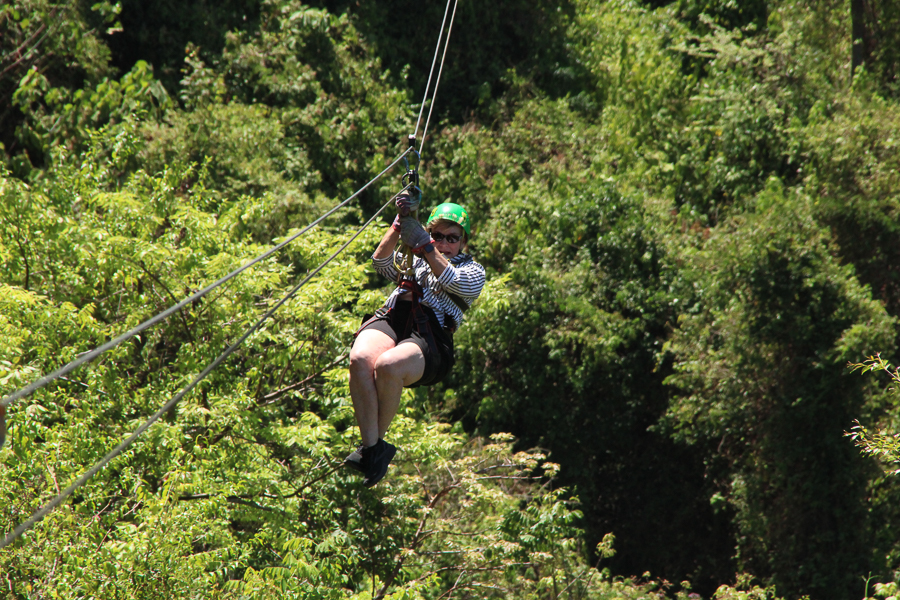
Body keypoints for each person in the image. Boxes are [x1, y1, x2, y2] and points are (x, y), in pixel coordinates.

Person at [345, 194, 486, 486]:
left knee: (388, 365)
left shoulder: (472, 271)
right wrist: (400, 225)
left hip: (431, 335)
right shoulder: (414, 257)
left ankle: (373, 448)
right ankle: (373, 449)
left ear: (464, 242)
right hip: (396, 316)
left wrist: (425, 244)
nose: (444, 243)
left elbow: (453, 282)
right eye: (438, 235)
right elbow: (381, 261)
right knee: (360, 359)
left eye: (452, 238)